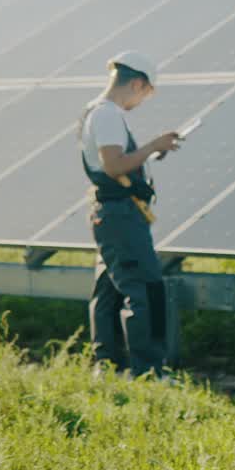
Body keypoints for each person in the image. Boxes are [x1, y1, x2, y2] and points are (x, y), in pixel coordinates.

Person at [80, 51, 181, 378]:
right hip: (121, 217)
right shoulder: (108, 115)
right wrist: (153, 145)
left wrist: (149, 154)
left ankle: (107, 368)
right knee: (145, 287)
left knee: (109, 290)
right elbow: (113, 165)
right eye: (146, 93)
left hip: (111, 215)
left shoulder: (95, 112)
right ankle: (149, 372)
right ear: (137, 83)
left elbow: (117, 163)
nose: (142, 100)